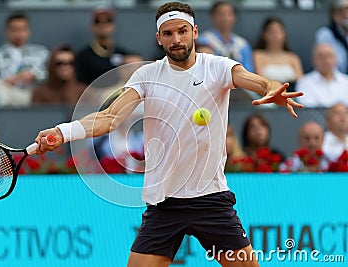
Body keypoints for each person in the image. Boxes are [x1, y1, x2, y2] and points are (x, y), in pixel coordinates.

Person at [34, 2, 303, 266]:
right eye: (168, 33)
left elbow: (257, 80)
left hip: (211, 200)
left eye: (182, 31)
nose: (176, 39)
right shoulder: (146, 75)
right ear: (159, 39)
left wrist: (271, 87)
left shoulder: (219, 67)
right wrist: (62, 132)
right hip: (164, 205)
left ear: (195, 32)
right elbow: (109, 118)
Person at [0, 13, 49, 107]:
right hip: (5, 93)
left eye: (22, 29)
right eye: (14, 30)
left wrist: (34, 75)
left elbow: (53, 75)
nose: (19, 34)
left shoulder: (41, 53)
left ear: (28, 31)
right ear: (7, 32)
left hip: (32, 95)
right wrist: (4, 81)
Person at [75, 6, 142, 88]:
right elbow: (80, 87)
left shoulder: (124, 53)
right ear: (92, 26)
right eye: (98, 21)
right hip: (93, 99)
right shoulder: (83, 56)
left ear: (113, 26)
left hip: (119, 97)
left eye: (108, 21)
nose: (103, 24)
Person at [195, 1, 254, 72]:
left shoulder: (242, 44)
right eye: (220, 14)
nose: (225, 18)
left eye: (229, 14)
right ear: (212, 17)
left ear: (234, 17)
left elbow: (249, 70)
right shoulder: (203, 40)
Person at [253, 16, 303, 88]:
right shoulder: (257, 55)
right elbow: (260, 80)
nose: (276, 35)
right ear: (264, 35)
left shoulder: (293, 57)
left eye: (279, 31)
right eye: (272, 31)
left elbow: (301, 82)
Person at [296, 43, 348, 107]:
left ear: (336, 59)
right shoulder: (304, 82)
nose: (325, 60)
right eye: (321, 57)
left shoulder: (346, 81)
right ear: (313, 60)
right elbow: (307, 109)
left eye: (329, 56)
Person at [315, 0, 348, 74]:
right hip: (335, 78)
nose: (346, 15)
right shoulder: (325, 34)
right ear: (333, 15)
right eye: (341, 11)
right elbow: (324, 61)